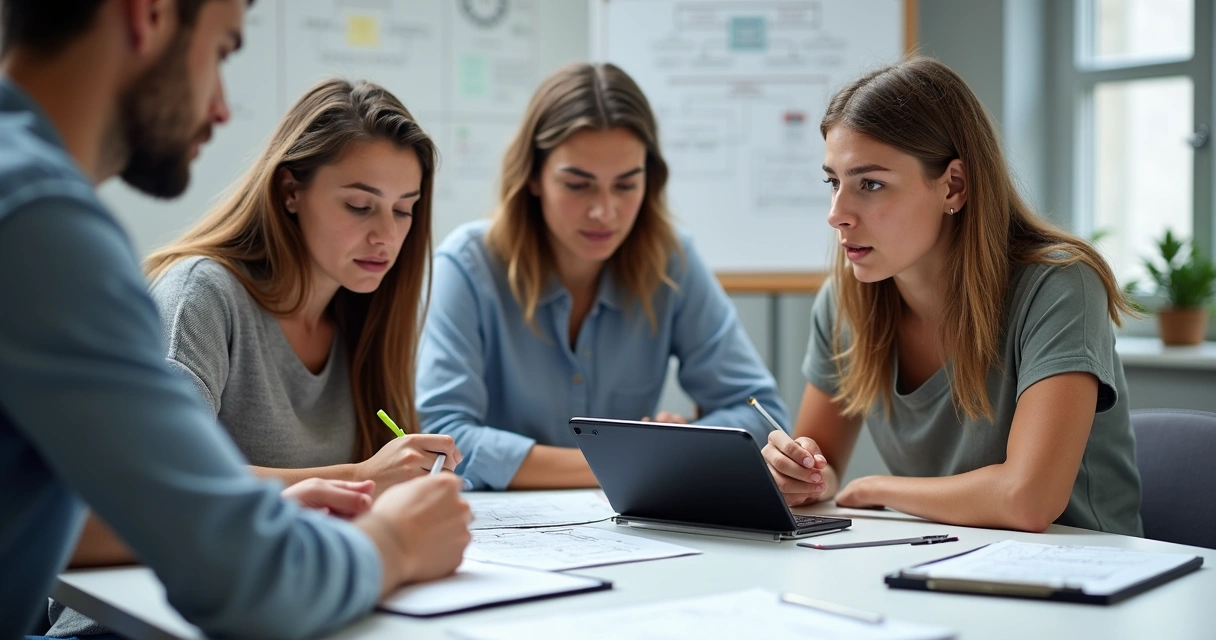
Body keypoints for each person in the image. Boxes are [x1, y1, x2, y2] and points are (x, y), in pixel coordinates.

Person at [0, 1, 469, 638]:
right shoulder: (42, 223)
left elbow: (113, 510)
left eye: (404, 209)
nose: (222, 109)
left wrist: (263, 511)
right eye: (222, 51)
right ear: (147, 15)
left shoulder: (28, 200)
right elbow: (237, 574)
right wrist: (397, 540)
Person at [762, 57, 1142, 535]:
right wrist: (800, 476)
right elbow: (825, 471)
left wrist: (879, 488)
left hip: (1084, 565)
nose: (836, 213)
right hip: (943, 557)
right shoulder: (844, 302)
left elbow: (1029, 500)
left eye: (871, 184)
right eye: (833, 182)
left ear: (953, 186)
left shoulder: (1060, 286)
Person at [417, 62, 788, 491]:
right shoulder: (467, 265)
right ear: (534, 176)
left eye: (626, 185)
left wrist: (681, 442)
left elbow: (762, 415)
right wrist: (645, 458)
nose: (604, 212)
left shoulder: (671, 261)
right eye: (579, 185)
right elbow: (443, 439)